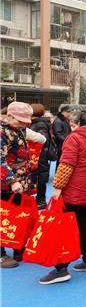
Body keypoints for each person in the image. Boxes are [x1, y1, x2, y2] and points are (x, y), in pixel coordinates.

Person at [38, 111, 86, 284]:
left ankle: (61, 268)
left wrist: (58, 187)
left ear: (79, 124)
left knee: (64, 228)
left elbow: (66, 164)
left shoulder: (74, 138)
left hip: (75, 190)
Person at [1, 102, 34, 268]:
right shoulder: (2, 132)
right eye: (19, 120)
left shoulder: (19, 130)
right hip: (5, 181)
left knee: (18, 215)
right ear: (10, 115)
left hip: (21, 178)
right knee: (3, 215)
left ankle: (17, 246)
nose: (22, 123)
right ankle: (1, 254)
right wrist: (12, 180)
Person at [29, 104, 53, 210]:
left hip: (40, 156)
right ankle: (38, 199)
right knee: (37, 177)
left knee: (40, 178)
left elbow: (43, 140)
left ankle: (41, 200)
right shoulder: (36, 123)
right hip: (36, 156)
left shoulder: (40, 124)